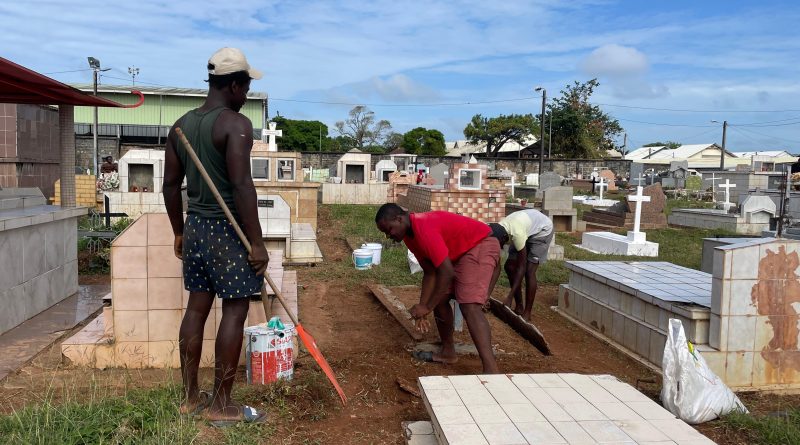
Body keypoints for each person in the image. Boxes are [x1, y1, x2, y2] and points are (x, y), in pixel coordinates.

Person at [163, 47, 269, 425]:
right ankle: (221, 404)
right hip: (228, 230)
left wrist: (179, 231)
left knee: (196, 308)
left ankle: (191, 398)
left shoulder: (181, 125)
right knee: (235, 309)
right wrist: (257, 243)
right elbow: (242, 186)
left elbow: (170, 187)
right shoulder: (234, 125)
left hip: (196, 229)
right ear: (235, 85)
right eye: (247, 86)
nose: (247, 94)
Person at [375, 203, 500, 373]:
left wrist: (427, 307)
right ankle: (448, 352)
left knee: (469, 305)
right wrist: (423, 308)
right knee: (440, 300)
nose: (389, 235)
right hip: (458, 253)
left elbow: (446, 273)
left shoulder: (424, 228)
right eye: (385, 233)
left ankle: (491, 370)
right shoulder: (409, 237)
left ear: (399, 219)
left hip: (479, 245)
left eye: (389, 229)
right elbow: (430, 272)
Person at [487, 208, 553, 321]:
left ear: (503, 238)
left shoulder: (517, 234)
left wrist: (509, 296)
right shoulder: (500, 230)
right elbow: (497, 267)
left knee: (529, 271)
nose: (500, 247)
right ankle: (519, 306)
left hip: (542, 231)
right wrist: (486, 296)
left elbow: (521, 267)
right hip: (525, 227)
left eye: (500, 244)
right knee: (509, 266)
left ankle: (527, 313)